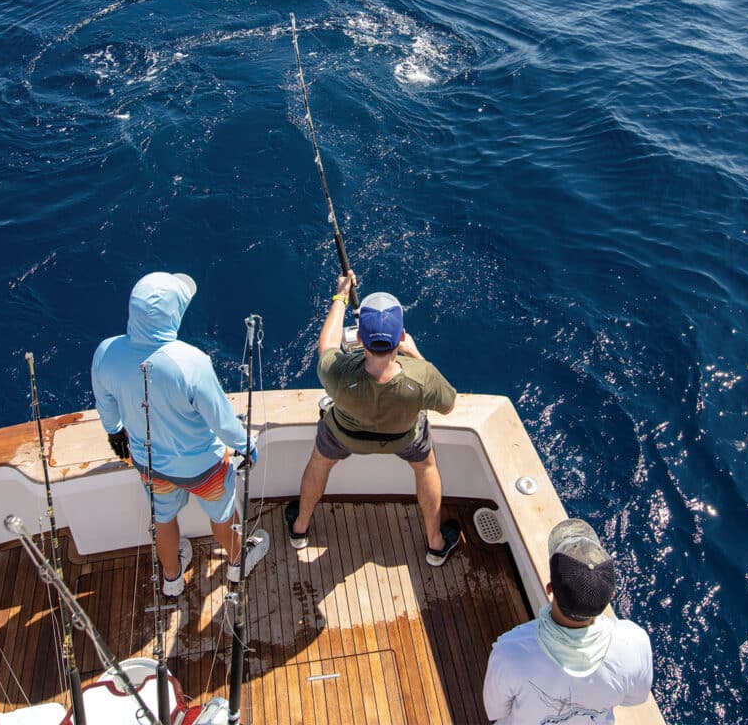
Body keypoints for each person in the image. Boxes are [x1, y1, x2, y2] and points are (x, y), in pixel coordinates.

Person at [91, 271, 268, 597]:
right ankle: (237, 560)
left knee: (165, 519)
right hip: (204, 469)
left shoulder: (106, 352)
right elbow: (222, 422)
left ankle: (172, 579)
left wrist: (114, 432)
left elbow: (106, 402)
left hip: (150, 465)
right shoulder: (191, 362)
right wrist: (246, 445)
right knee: (223, 516)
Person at [285, 269, 460, 565]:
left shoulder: (338, 372)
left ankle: (299, 529)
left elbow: (326, 346)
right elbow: (449, 404)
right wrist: (416, 355)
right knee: (426, 466)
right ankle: (435, 543)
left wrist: (341, 294)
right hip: (402, 438)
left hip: (343, 434)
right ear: (401, 338)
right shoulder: (422, 375)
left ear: (359, 339)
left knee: (319, 461)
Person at [482, 518, 654, 724]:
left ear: (550, 588)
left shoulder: (509, 650)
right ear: (611, 595)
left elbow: (495, 711)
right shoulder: (635, 643)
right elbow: (636, 698)